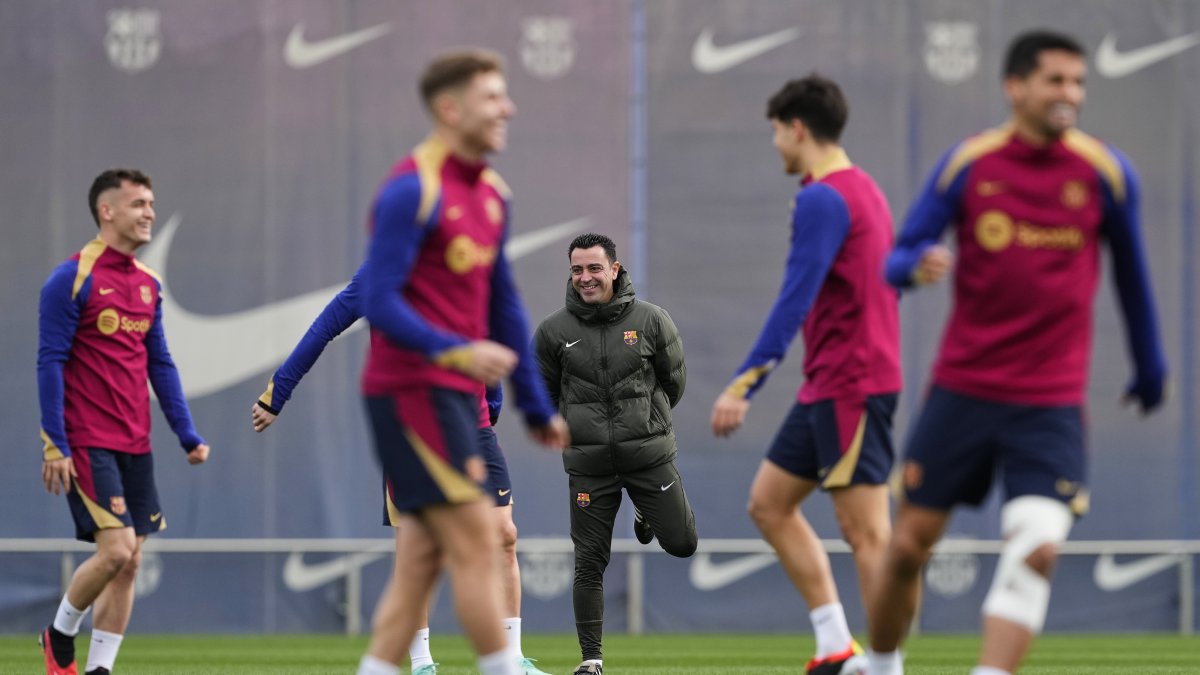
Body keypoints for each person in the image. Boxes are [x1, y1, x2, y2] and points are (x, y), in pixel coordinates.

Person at [866, 30, 1167, 675]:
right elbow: (895, 258)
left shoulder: (1106, 173)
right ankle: (882, 664)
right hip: (963, 391)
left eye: (1079, 83)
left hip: (1049, 403)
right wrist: (918, 264)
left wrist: (1151, 367)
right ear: (1016, 87)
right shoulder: (968, 164)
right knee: (908, 546)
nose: (1070, 95)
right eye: (1056, 81)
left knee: (1037, 547)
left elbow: (1133, 279)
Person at [355, 49, 569, 675]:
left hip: (454, 396)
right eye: (493, 97)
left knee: (422, 559)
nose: (509, 108)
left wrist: (534, 404)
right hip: (407, 392)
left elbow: (504, 305)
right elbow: (377, 299)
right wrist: (453, 349)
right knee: (479, 538)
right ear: (450, 109)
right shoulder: (410, 189)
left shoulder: (494, 195)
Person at [250, 263, 553, 675]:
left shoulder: (467, 263)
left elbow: (488, 335)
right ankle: (422, 664)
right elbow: (324, 328)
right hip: (413, 426)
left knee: (504, 535)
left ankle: (513, 659)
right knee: (419, 556)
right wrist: (276, 393)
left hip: (472, 424)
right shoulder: (383, 270)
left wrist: (494, 402)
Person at [709, 74, 902, 675]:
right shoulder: (863, 187)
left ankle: (889, 669)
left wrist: (744, 383)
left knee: (867, 534)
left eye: (775, 131)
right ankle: (836, 649)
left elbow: (795, 298)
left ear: (797, 128)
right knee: (769, 504)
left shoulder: (822, 197)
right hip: (831, 384)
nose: (774, 145)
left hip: (852, 385)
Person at [37, 168, 211, 675]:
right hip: (89, 442)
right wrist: (55, 443)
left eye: (152, 203)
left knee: (132, 560)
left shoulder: (147, 286)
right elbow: (49, 361)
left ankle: (100, 670)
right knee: (115, 551)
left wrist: (187, 434)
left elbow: (161, 364)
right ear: (106, 211)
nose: (149, 213)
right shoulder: (70, 278)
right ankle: (59, 633)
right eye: (138, 204)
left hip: (137, 443)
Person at [533, 232, 698, 675]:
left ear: (615, 268)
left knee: (683, 545)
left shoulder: (651, 320)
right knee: (589, 562)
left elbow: (674, 382)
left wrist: (646, 420)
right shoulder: (553, 332)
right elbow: (545, 396)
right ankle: (591, 659)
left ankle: (647, 512)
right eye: (577, 269)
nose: (585, 277)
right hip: (590, 467)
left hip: (648, 457)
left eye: (594, 268)